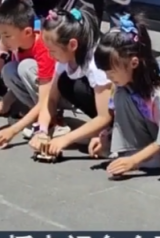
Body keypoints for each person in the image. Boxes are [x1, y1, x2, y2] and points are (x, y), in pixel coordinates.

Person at [94, 16, 160, 196]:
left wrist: (134, 161)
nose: (107, 76)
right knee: (121, 95)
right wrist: (106, 136)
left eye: (111, 71)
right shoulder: (124, 86)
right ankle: (141, 152)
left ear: (134, 63)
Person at [29, 9, 111, 159]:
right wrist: (42, 130)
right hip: (102, 113)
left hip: (121, 115)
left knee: (78, 88)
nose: (50, 55)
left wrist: (65, 140)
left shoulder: (94, 64)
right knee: (64, 82)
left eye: (52, 51)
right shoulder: (65, 58)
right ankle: (97, 132)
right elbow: (51, 98)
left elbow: (105, 116)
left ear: (72, 45)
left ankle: (110, 135)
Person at [0, 0, 59, 144]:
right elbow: (15, 88)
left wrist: (13, 130)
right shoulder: (19, 46)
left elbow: (46, 99)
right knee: (9, 70)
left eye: (7, 36)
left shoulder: (43, 47)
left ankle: (51, 120)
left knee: (25, 67)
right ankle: (39, 117)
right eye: (0, 36)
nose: (3, 42)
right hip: (45, 94)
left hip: (57, 96)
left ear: (27, 32)